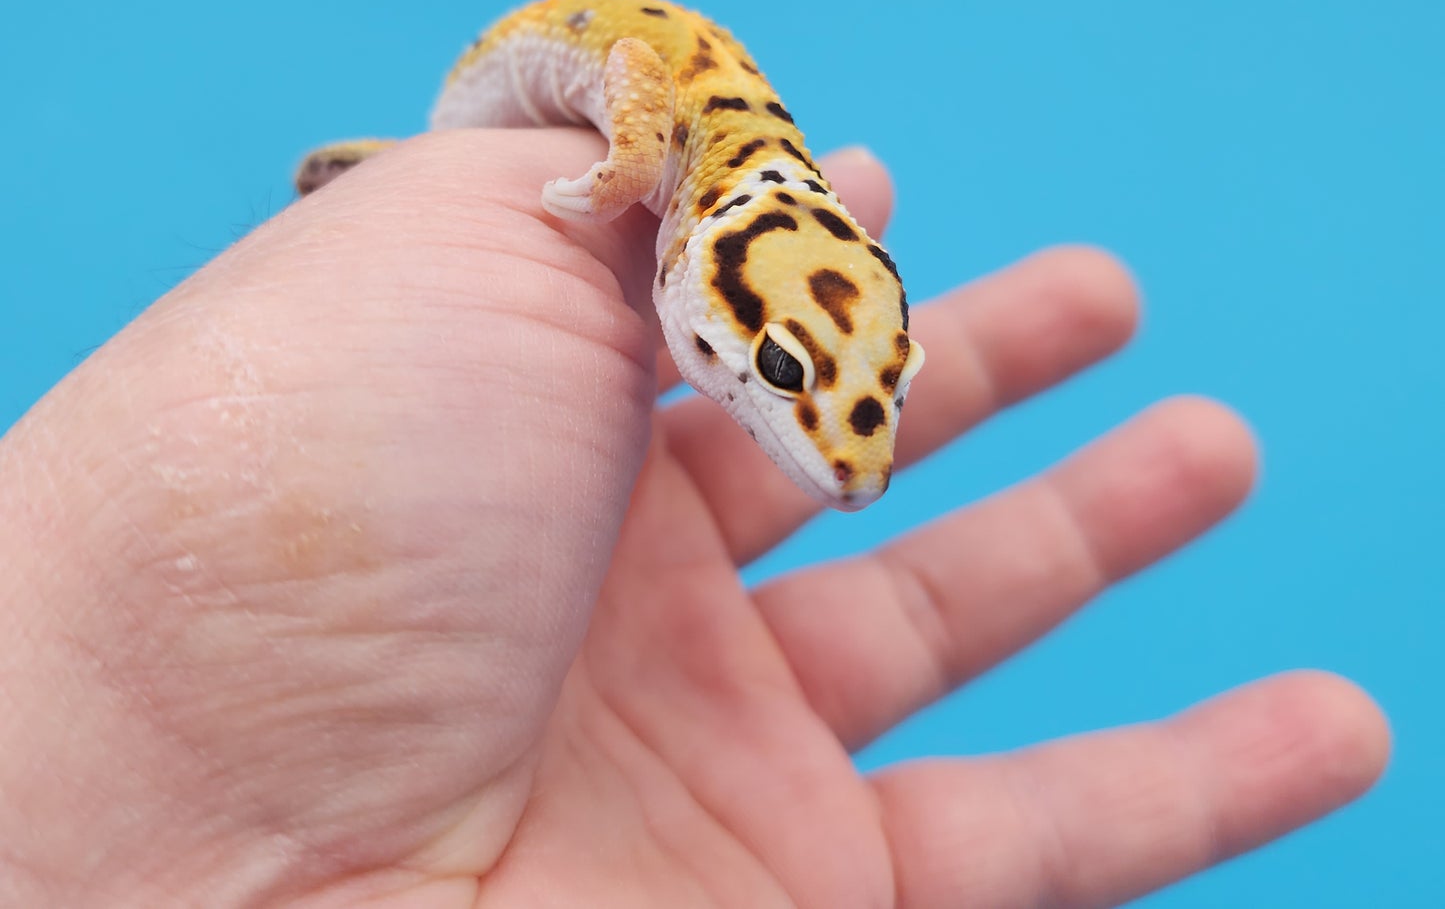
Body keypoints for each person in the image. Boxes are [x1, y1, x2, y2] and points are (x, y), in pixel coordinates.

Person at [0, 129, 1388, 907]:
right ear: (687, 286)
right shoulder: (630, 175)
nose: (854, 461)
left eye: (869, 381)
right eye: (788, 374)